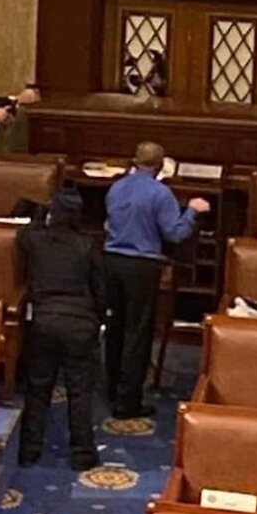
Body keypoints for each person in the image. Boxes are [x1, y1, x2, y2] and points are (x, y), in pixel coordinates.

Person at [103, 141, 210, 418]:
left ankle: (111, 387)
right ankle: (128, 402)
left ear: (134, 161)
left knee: (115, 327)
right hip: (142, 266)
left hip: (111, 261)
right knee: (137, 334)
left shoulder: (116, 188)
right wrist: (193, 211)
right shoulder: (161, 194)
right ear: (161, 165)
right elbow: (174, 234)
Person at [16, 187, 107, 472]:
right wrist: (98, 317)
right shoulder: (87, 245)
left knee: (39, 387)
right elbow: (100, 289)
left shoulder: (35, 239)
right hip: (80, 323)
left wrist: (42, 214)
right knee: (80, 390)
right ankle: (82, 453)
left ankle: (30, 450)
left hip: (44, 320)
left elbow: (21, 220)